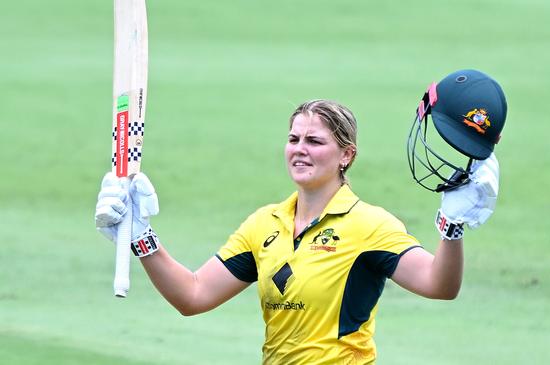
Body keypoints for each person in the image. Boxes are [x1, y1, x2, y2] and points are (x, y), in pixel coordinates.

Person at [95, 95, 500, 364]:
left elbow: (439, 285)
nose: (299, 148)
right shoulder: (264, 224)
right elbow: (193, 295)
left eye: (314, 141)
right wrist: (141, 238)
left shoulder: (370, 226)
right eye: (293, 138)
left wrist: (452, 228)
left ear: (346, 155)